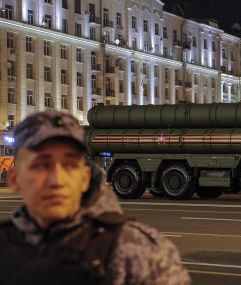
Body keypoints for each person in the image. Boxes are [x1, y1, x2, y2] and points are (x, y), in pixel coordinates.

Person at [0, 111, 191, 285]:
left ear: (85, 177)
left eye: (70, 165)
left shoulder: (137, 251)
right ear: (15, 179)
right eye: (41, 165)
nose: (57, 180)